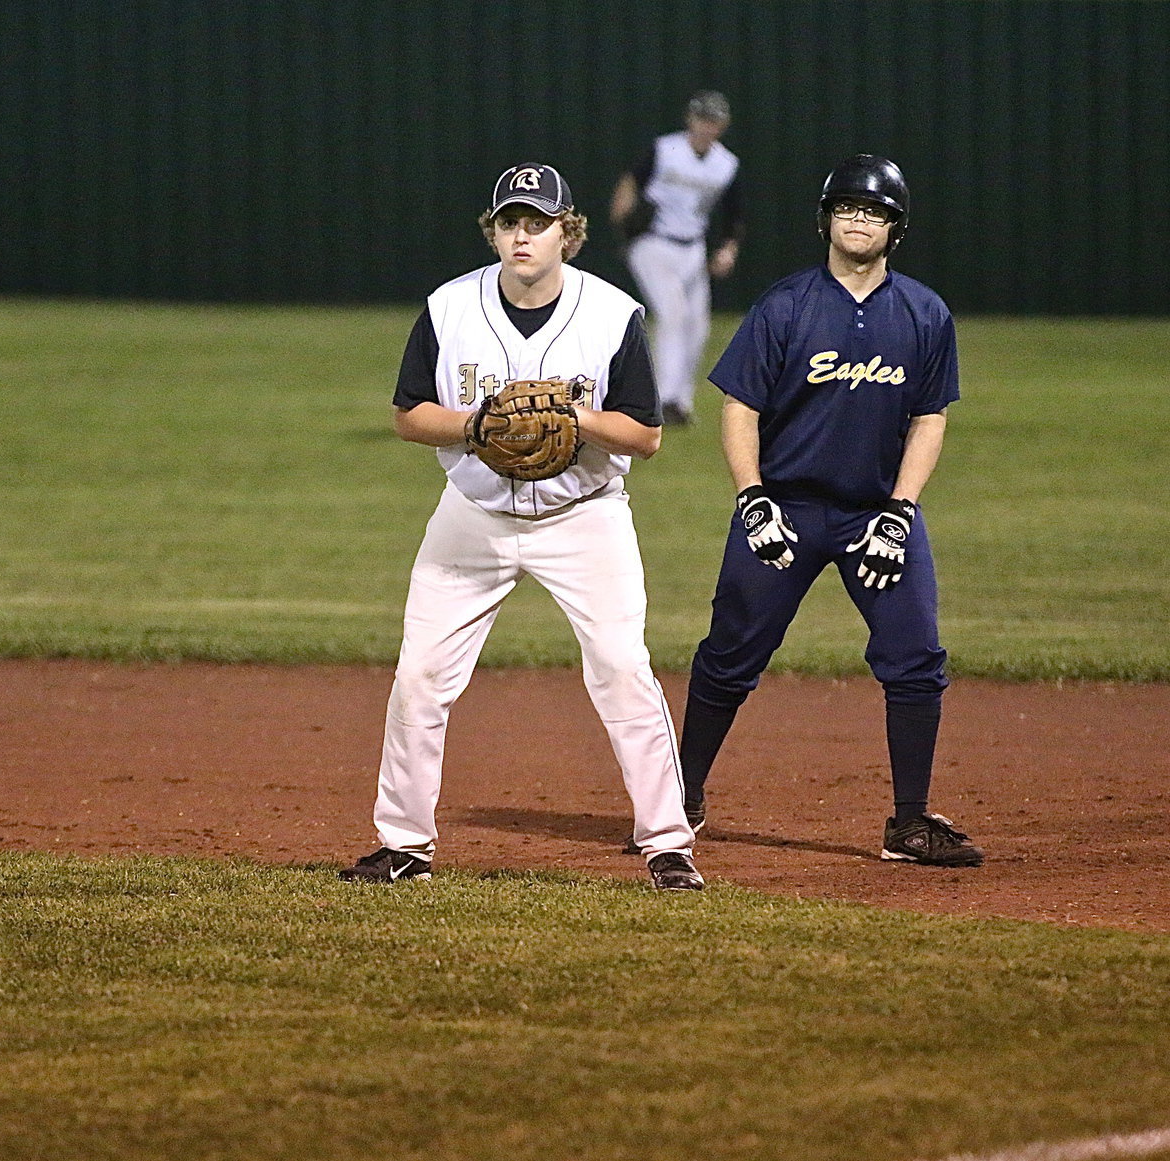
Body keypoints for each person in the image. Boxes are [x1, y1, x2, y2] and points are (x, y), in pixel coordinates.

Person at [339, 163, 704, 891]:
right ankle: (404, 845)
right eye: (510, 221)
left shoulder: (612, 315)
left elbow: (647, 435)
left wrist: (574, 418)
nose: (522, 235)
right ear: (494, 230)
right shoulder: (449, 308)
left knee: (622, 668)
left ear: (568, 232)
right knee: (420, 675)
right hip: (472, 516)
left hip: (585, 516)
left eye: (537, 222)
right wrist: (477, 423)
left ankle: (668, 844)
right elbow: (410, 414)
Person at [676, 154, 984, 867]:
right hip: (782, 508)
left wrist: (901, 511)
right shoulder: (785, 305)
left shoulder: (924, 312)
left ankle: (910, 822)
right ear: (825, 218)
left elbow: (929, 418)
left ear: (894, 228)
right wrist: (751, 498)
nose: (858, 217)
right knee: (729, 656)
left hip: (874, 515)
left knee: (915, 660)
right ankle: (679, 798)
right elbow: (740, 406)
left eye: (873, 210)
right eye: (846, 206)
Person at [609, 90, 744, 426]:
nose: (706, 126)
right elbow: (630, 183)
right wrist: (623, 220)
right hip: (653, 243)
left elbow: (734, 213)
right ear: (690, 119)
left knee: (698, 326)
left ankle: (680, 401)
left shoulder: (725, 164)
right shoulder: (666, 149)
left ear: (722, 125)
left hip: (692, 248)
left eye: (713, 121)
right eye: (701, 118)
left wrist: (728, 247)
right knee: (673, 315)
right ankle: (663, 400)